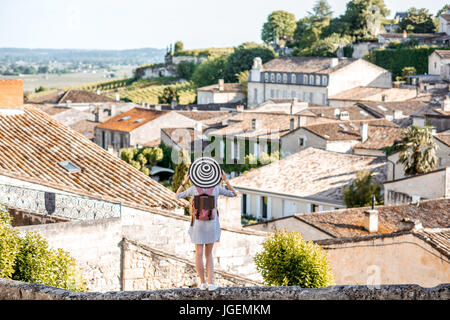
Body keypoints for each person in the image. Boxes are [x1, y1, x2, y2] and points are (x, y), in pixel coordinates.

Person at [175, 169, 237, 291]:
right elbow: (233, 193)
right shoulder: (216, 188)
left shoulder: (194, 188)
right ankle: (211, 283)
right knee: (209, 254)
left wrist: (185, 181)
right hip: (211, 224)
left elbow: (177, 195)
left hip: (198, 225)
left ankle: (202, 283)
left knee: (198, 253)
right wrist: (225, 180)